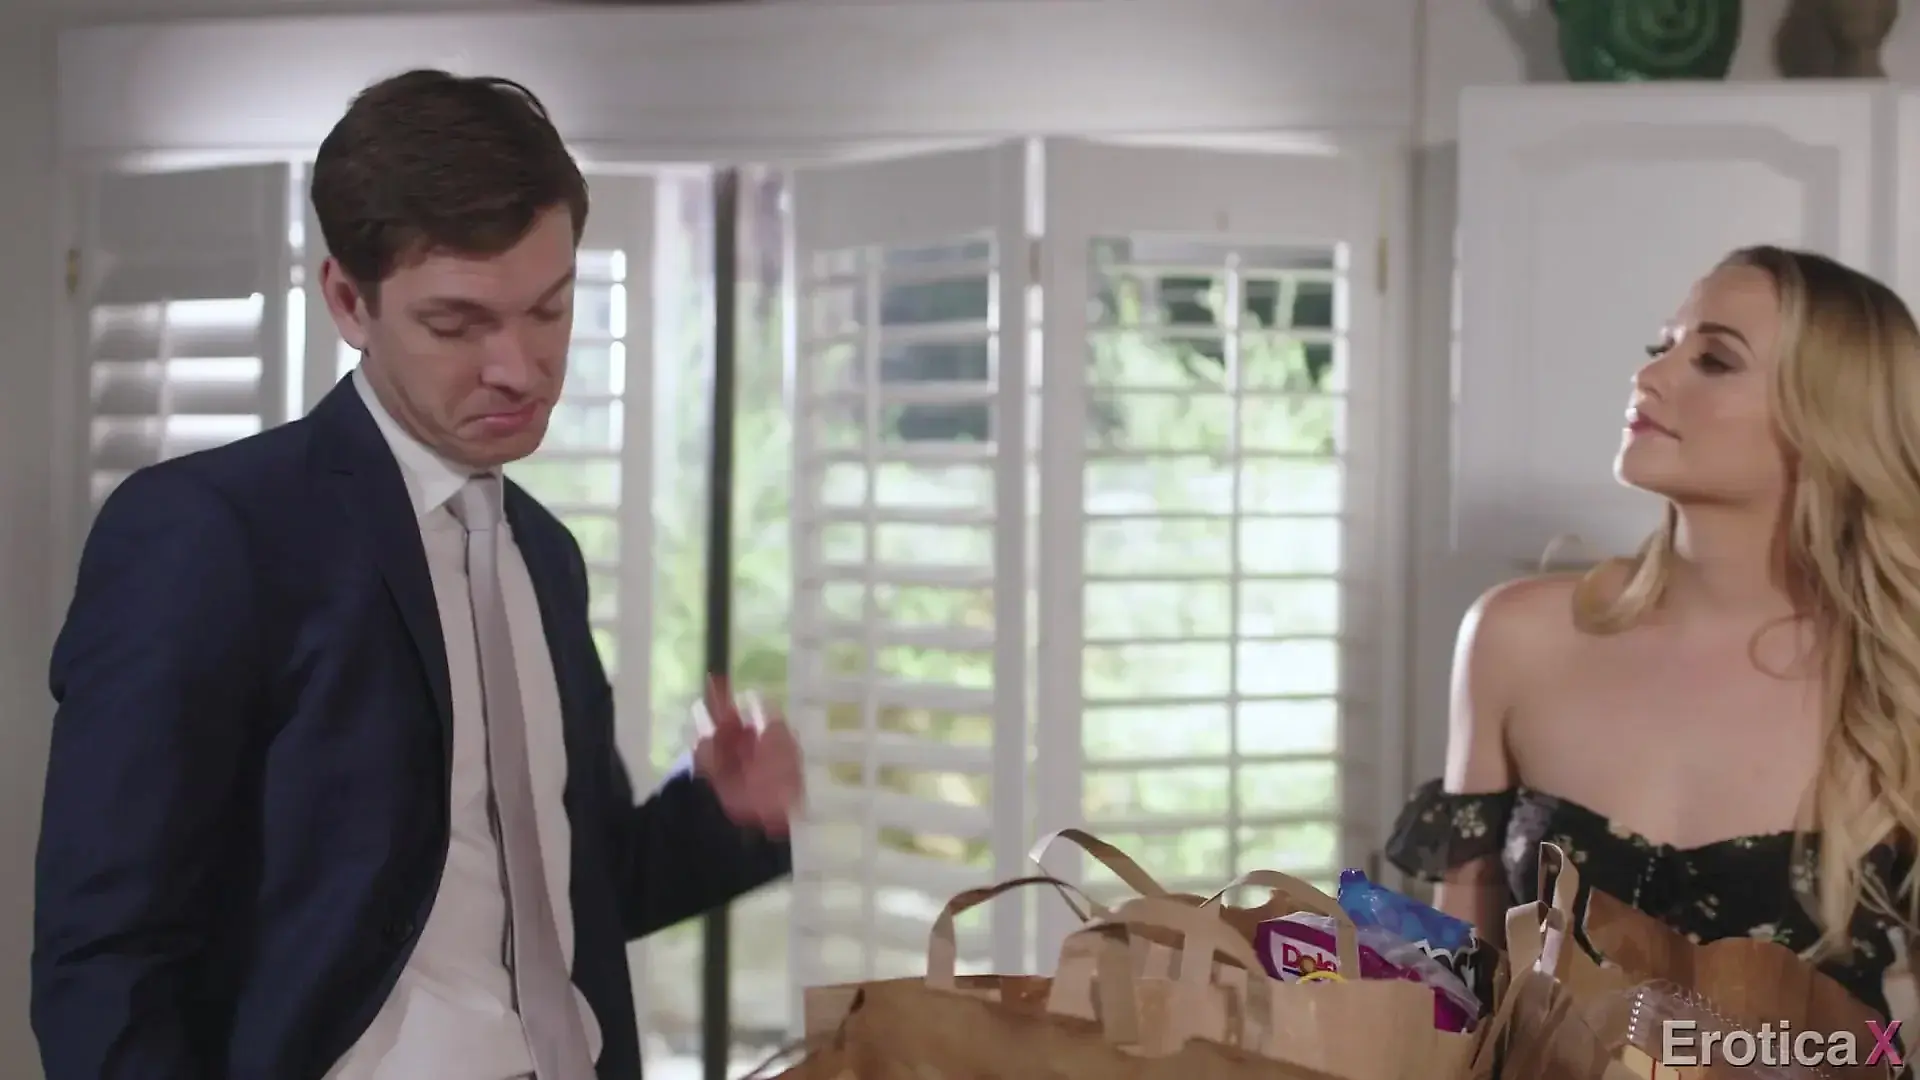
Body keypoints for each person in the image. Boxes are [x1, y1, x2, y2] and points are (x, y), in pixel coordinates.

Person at [30, 69, 800, 1080]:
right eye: (457, 324)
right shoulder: (211, 534)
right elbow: (106, 964)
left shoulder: (544, 554)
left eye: (550, 310)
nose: (520, 367)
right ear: (350, 301)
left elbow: (558, 895)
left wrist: (724, 816)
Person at [1386, 246, 1920, 1027]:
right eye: (1661, 346)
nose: (1650, 376)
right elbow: (1455, 990)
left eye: (1713, 360)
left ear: (1830, 421)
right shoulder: (1517, 636)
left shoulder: (1898, 673)